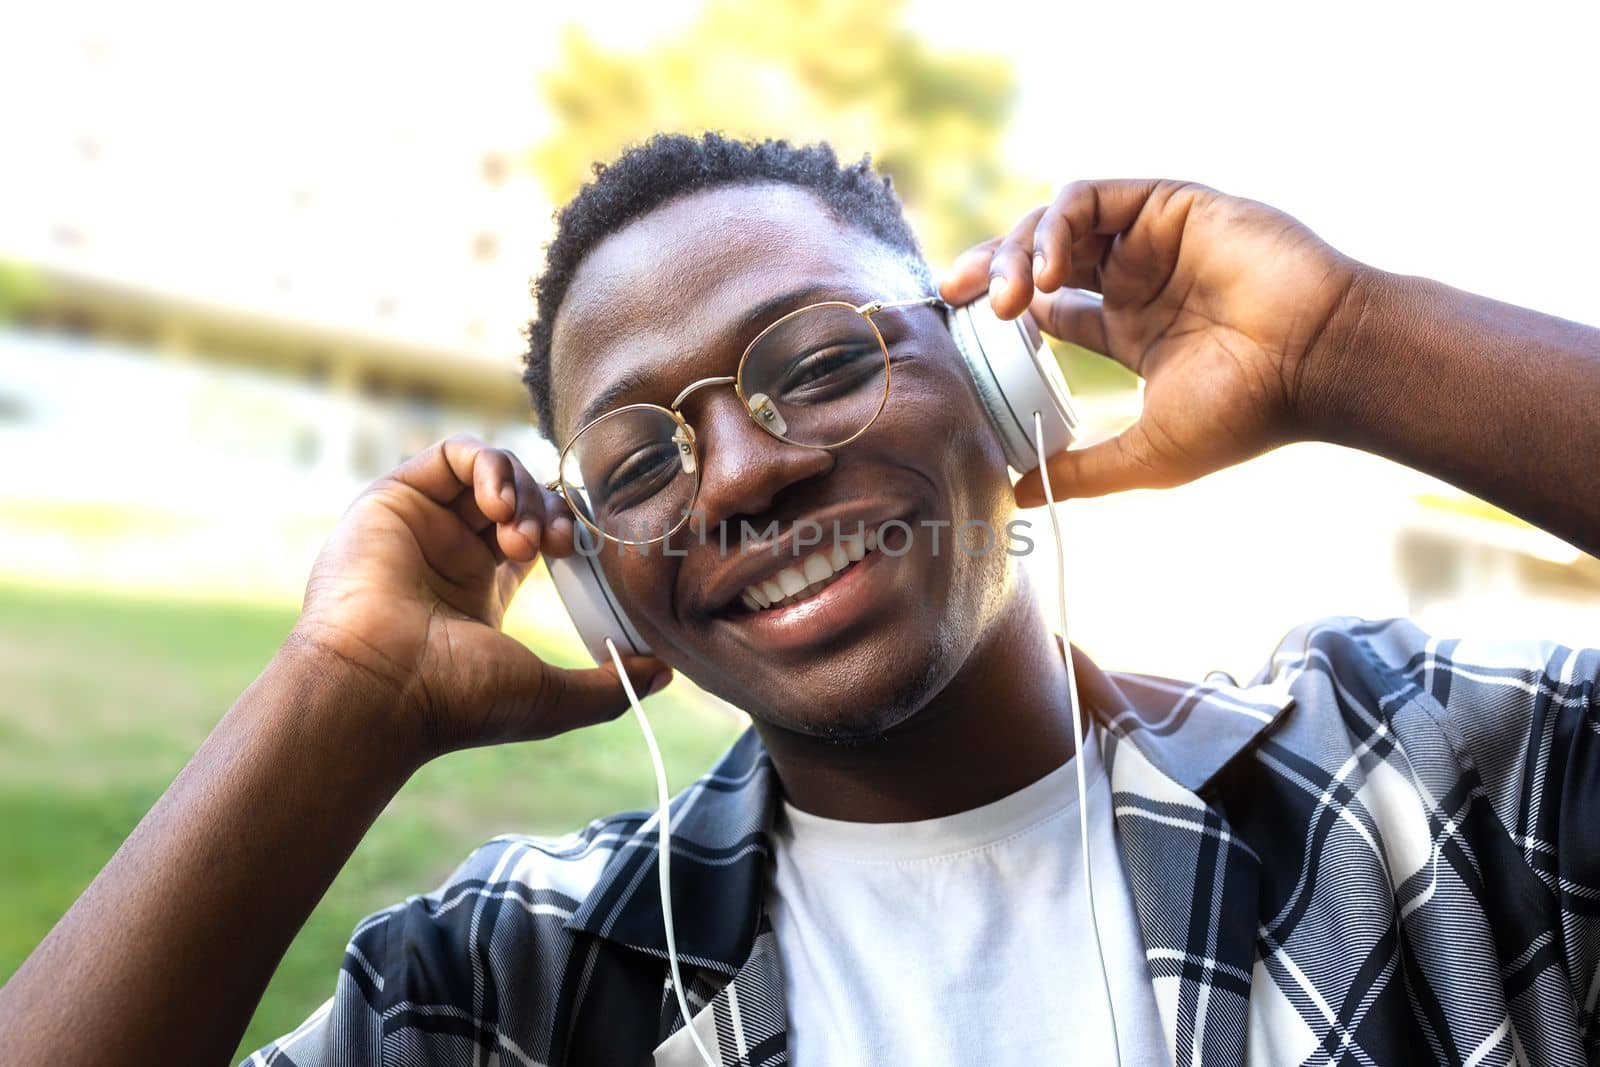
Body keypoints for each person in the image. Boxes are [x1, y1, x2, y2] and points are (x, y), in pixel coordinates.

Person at [0, 133, 1596, 1067]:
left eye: (822, 361)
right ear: (599, 581)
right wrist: (339, 691)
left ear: (997, 384)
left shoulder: (1420, 771)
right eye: (636, 461)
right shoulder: (515, 975)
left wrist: (1349, 350)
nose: (743, 473)